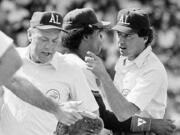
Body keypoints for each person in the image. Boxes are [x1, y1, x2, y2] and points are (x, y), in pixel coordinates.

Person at [61, 8, 176, 135]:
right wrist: (151, 124)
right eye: (119, 34)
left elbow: (123, 113)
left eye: (128, 35)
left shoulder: (152, 69)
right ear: (86, 36)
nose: (121, 41)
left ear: (145, 37)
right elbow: (107, 116)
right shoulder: (117, 61)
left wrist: (104, 76)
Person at [0, 11, 99, 135]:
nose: (49, 47)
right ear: (30, 34)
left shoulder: (70, 68)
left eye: (55, 40)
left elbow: (93, 116)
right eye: (44, 39)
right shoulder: (9, 61)